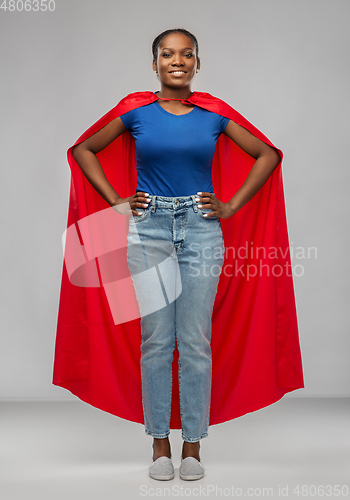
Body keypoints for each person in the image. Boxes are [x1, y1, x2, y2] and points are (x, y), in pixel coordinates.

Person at [54, 28, 304, 481]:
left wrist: (229, 206)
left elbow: (266, 154)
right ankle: (159, 446)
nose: (177, 60)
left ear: (197, 64)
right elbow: (84, 149)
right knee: (155, 342)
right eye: (167, 54)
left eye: (186, 54)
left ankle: (192, 447)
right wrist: (116, 201)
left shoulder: (212, 114)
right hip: (148, 230)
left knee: (194, 343)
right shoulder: (136, 111)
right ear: (154, 64)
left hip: (202, 231)